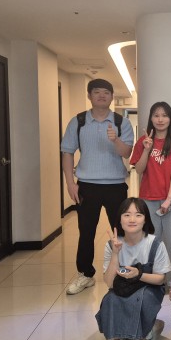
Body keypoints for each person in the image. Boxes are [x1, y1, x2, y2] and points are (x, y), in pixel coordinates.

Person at [61, 78, 134, 295]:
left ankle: (123, 272)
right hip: (87, 186)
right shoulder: (78, 121)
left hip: (116, 186)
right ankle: (85, 274)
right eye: (97, 92)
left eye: (106, 92)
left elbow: (127, 153)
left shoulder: (121, 122)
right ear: (89, 95)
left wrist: (115, 140)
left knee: (121, 231)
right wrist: (70, 183)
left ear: (112, 97)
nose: (102, 96)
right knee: (86, 232)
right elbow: (67, 152)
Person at [95, 198, 171, 340]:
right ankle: (124, 330)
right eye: (126, 215)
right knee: (111, 299)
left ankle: (147, 325)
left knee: (141, 302)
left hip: (149, 288)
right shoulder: (112, 245)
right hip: (121, 288)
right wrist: (115, 253)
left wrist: (139, 275)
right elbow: (110, 283)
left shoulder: (155, 243)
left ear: (145, 220)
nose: (132, 219)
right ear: (120, 220)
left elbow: (161, 279)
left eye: (138, 215)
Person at [129, 102, 171, 293]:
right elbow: (139, 170)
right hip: (148, 198)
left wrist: (168, 199)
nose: (160, 119)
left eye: (164, 115)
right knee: (151, 240)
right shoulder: (143, 141)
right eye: (156, 115)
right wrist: (146, 149)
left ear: (170, 119)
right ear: (151, 118)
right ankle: (155, 280)